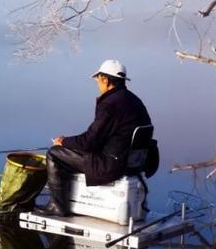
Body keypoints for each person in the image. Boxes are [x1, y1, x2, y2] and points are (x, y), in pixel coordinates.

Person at [37, 59, 153, 217]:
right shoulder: (134, 100)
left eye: (98, 80)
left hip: (111, 165)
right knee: (68, 150)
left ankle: (57, 206)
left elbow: (89, 142)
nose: (98, 84)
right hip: (134, 163)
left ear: (105, 79)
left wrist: (63, 142)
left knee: (54, 154)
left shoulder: (109, 104)